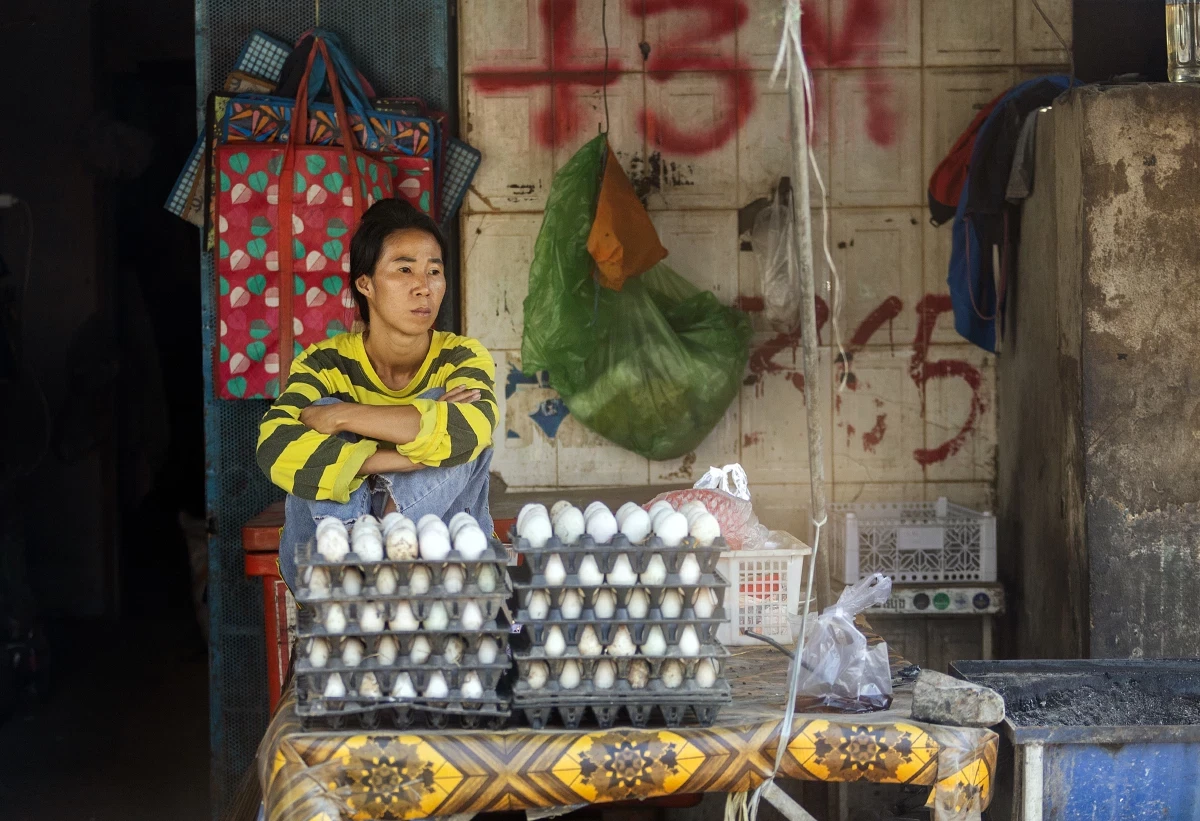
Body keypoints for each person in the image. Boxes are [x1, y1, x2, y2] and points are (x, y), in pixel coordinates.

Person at [257, 199, 497, 589]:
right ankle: (358, 548)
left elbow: (470, 428)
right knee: (325, 405)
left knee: (466, 431)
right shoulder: (325, 363)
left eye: (434, 271)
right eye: (404, 269)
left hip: (438, 565)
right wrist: (407, 457)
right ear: (365, 283)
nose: (423, 287)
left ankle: (385, 535)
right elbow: (275, 446)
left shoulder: (460, 357)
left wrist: (343, 417)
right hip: (328, 569)